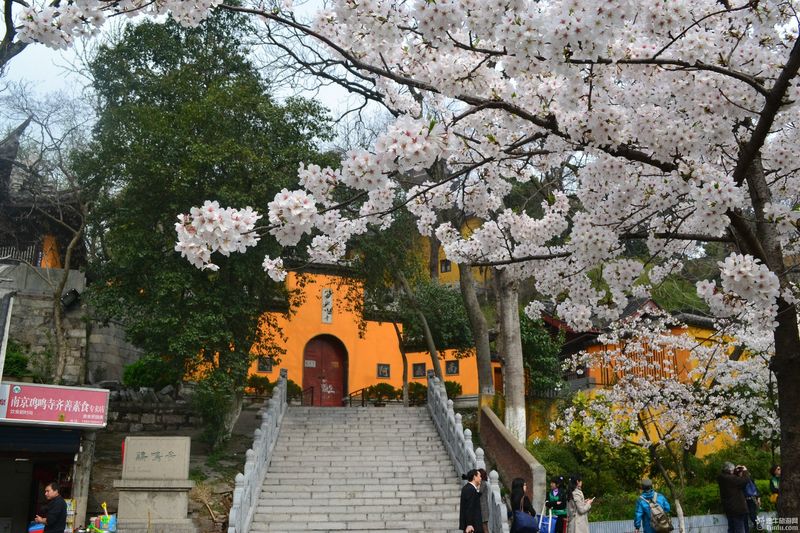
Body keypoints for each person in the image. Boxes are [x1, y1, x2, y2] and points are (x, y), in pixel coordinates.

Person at [718, 462, 749, 533]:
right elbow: (744, 480)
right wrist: (745, 471)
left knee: (731, 528)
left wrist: (735, 471)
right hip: (737, 508)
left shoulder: (722, 477)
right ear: (729, 470)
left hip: (729, 508)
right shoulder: (730, 478)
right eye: (732, 470)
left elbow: (734, 481)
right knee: (739, 529)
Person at [736, 465, 760, 530]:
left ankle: (759, 528)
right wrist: (736, 469)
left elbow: (755, 489)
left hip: (751, 499)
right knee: (745, 518)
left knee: (753, 516)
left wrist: (758, 498)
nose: (740, 473)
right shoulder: (738, 480)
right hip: (743, 501)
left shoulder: (749, 479)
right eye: (739, 472)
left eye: (742, 471)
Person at [460, 469, 484, 533]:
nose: (481, 478)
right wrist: (469, 524)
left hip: (472, 524)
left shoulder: (468, 488)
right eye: (479, 476)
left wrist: (477, 489)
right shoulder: (470, 489)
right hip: (473, 526)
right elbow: (469, 507)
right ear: (474, 477)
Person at [478, 468, 490, 533]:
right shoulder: (482, 483)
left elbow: (479, 492)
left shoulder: (483, 483)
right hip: (483, 508)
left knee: (484, 526)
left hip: (483, 509)